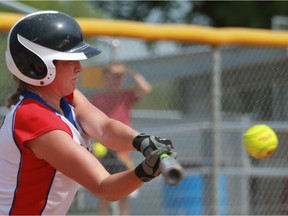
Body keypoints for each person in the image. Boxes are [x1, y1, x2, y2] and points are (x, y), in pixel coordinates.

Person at [0, 10, 177, 215]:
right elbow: (104, 187)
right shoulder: (34, 118)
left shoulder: (65, 97)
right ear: (38, 67)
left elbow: (104, 128)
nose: (80, 68)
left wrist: (142, 141)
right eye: (70, 61)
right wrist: (146, 171)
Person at [90, 63, 152, 215]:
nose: (117, 79)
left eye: (120, 77)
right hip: (103, 148)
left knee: (124, 191)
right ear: (105, 77)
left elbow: (145, 89)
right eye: (113, 76)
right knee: (103, 190)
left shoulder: (126, 96)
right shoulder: (97, 98)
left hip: (122, 148)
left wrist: (127, 72)